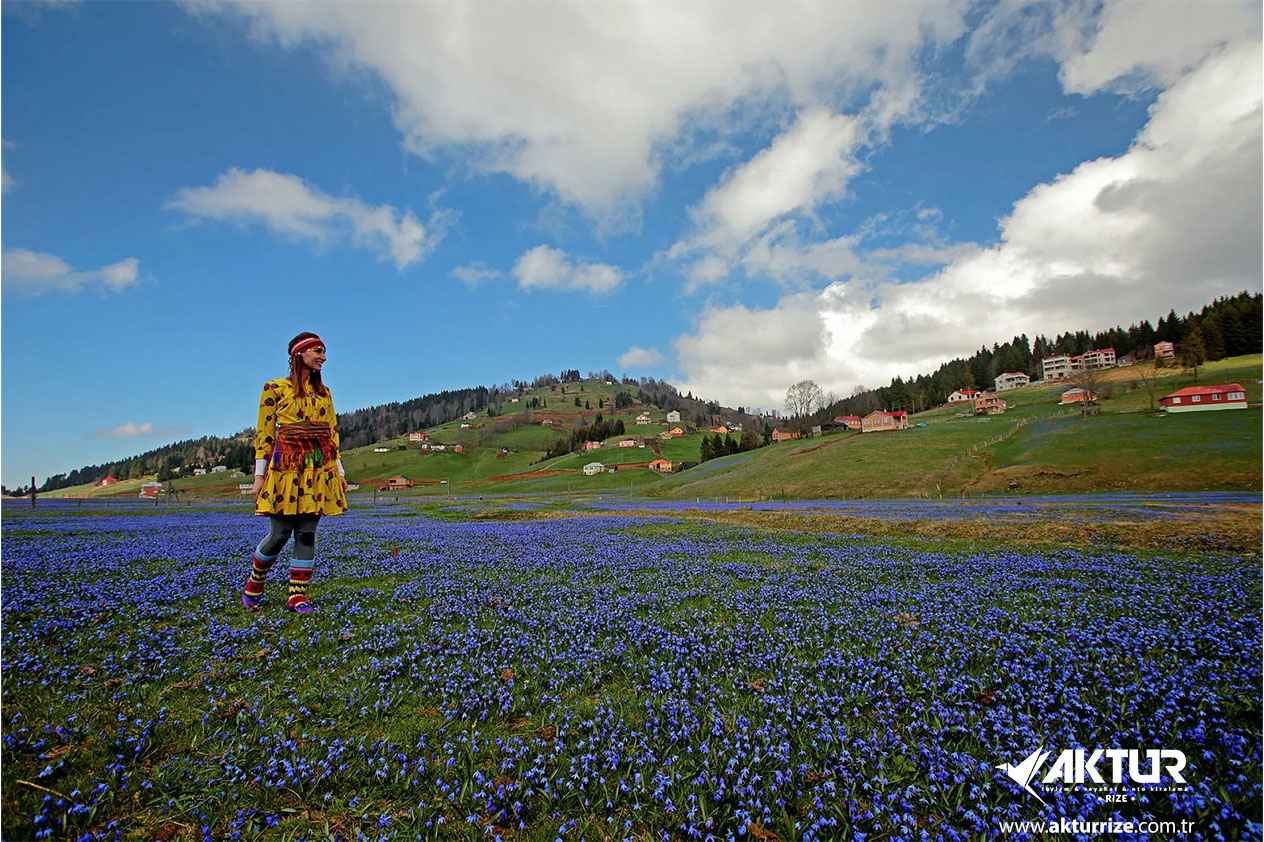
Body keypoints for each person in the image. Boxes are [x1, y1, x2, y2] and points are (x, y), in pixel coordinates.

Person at [241, 332, 349, 613]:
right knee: (279, 533)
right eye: (318, 351)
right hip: (286, 467)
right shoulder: (274, 388)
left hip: (318, 467)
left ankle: (297, 595)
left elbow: (332, 434)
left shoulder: (325, 393)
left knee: (306, 533)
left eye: (324, 352)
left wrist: (339, 472)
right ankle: (255, 582)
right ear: (300, 353)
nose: (323, 357)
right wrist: (259, 477)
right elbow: (265, 434)